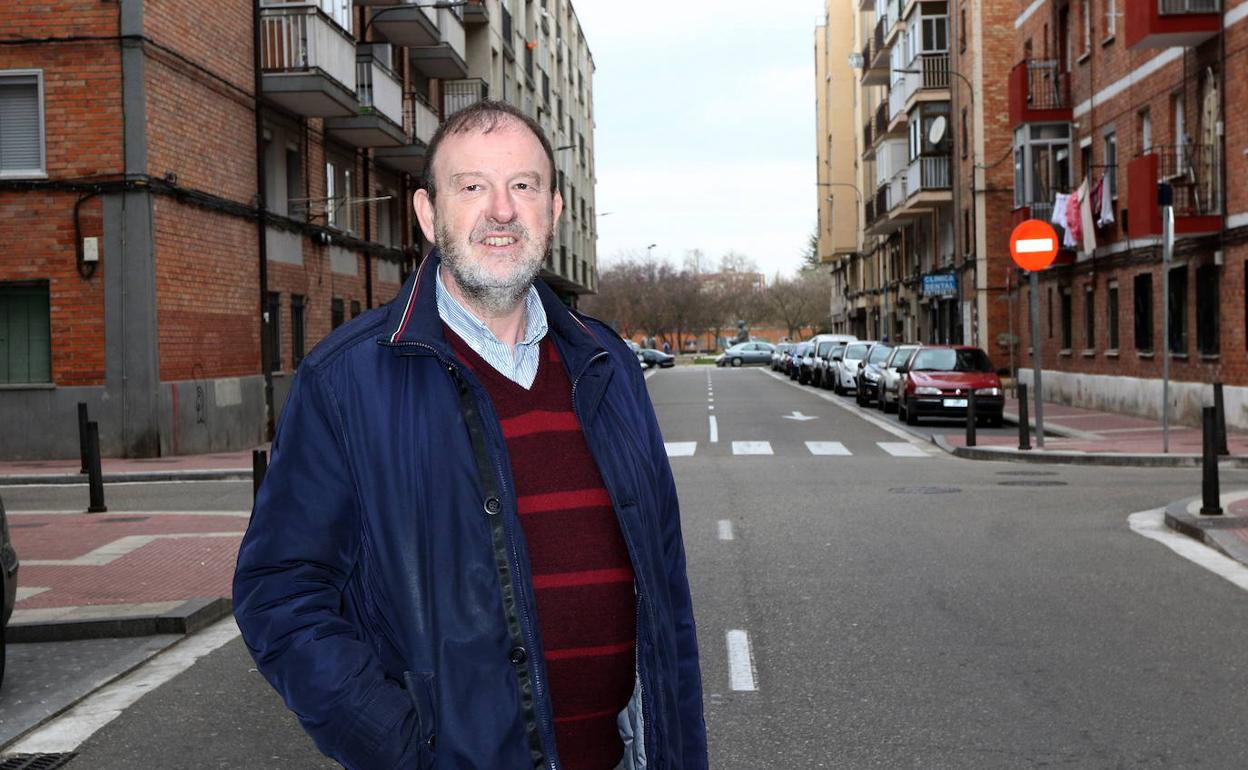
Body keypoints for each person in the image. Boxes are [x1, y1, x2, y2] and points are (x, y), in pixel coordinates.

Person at [233, 100, 707, 770]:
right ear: (429, 215)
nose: (503, 211)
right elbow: (279, 592)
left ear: (554, 210)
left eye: (523, 186)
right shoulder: (345, 381)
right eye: (473, 187)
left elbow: (666, 593)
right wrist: (401, 746)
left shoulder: (607, 365)